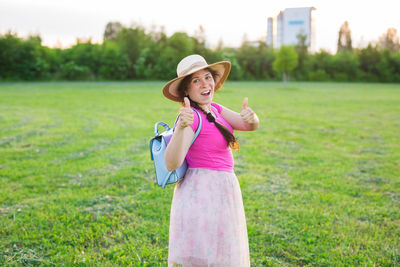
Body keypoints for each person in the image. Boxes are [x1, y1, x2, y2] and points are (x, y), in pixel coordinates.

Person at [163, 54, 259, 267]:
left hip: (223, 190)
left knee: (220, 251)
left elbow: (247, 125)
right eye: (196, 81)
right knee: (203, 253)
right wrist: (180, 128)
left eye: (207, 77)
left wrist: (253, 118)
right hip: (202, 193)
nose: (205, 84)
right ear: (186, 91)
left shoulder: (215, 109)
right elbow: (171, 163)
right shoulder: (191, 117)